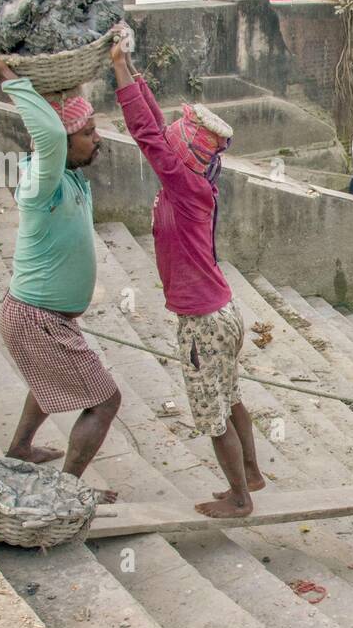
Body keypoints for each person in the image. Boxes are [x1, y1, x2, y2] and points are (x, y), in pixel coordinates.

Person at [111, 37, 266, 519]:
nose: (167, 144)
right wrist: (129, 66)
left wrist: (118, 68)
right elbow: (155, 128)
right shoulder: (196, 181)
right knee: (231, 394)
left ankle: (239, 498)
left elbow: (147, 135)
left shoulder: (185, 187)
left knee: (211, 412)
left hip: (204, 322)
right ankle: (253, 475)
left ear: (183, 156)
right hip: (222, 310)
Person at [0, 51, 121, 502]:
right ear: (61, 144)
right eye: (90, 134)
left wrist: (64, 85)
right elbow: (52, 134)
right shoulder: (42, 183)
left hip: (45, 316)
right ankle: (64, 491)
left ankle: (20, 448)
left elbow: (60, 126)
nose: (98, 140)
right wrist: (7, 76)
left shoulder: (71, 176)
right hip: (36, 318)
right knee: (105, 401)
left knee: (48, 381)